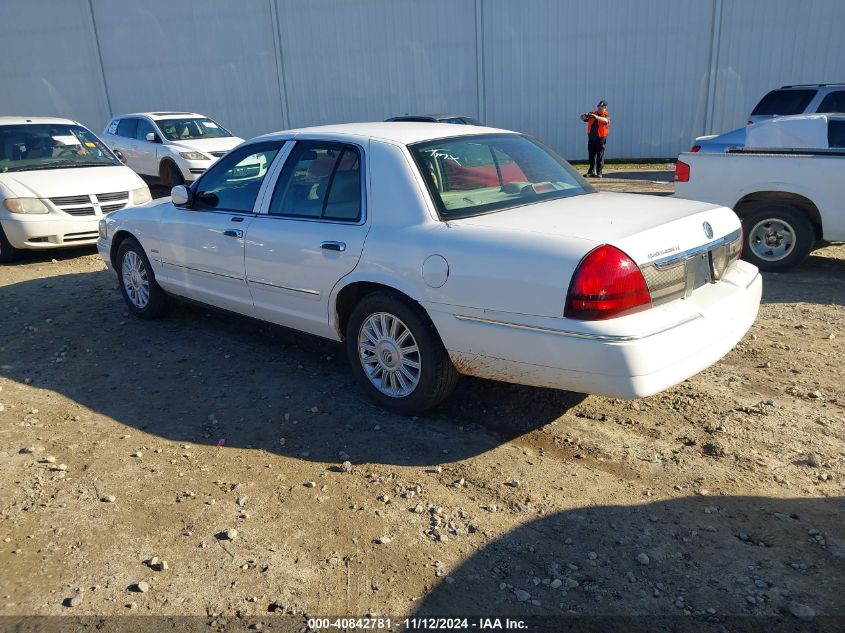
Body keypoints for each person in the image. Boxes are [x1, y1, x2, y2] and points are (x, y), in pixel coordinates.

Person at [580, 100, 610, 178]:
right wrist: (585, 115)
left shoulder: (605, 115)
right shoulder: (593, 114)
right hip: (592, 138)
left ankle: (599, 172)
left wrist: (596, 117)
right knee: (591, 155)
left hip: (601, 138)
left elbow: (605, 120)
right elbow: (582, 118)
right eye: (599, 107)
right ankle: (591, 171)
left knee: (600, 155)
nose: (600, 108)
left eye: (602, 107)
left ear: (605, 108)